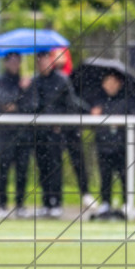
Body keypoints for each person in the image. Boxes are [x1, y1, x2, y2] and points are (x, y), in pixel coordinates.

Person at [32, 49, 85, 218]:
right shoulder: (35, 82)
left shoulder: (62, 80)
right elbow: (33, 105)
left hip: (56, 133)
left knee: (55, 167)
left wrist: (60, 124)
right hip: (40, 132)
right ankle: (46, 202)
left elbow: (70, 105)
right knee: (42, 168)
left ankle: (56, 202)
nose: (43, 63)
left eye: (46, 59)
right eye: (40, 60)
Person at [89, 70, 135, 218]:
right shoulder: (97, 101)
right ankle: (105, 203)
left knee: (124, 175)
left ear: (119, 84)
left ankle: (127, 203)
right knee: (105, 176)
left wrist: (121, 121)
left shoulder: (127, 101)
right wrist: (93, 115)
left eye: (114, 82)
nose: (110, 85)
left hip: (121, 146)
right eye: (107, 82)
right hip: (103, 145)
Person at [0, 53, 36, 217]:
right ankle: (2, 204)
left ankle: (20, 205)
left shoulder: (28, 83)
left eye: (17, 61)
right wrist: (20, 93)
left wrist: (23, 92)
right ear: (5, 63)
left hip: (23, 134)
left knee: (22, 170)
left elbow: (31, 105)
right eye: (11, 61)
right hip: (5, 134)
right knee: (3, 170)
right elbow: (5, 101)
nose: (14, 64)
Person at [53, 47, 95, 211]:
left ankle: (86, 194)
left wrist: (86, 112)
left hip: (72, 128)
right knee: (54, 164)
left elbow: (75, 101)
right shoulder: (51, 79)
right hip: (57, 129)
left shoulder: (74, 77)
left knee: (79, 161)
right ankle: (55, 200)